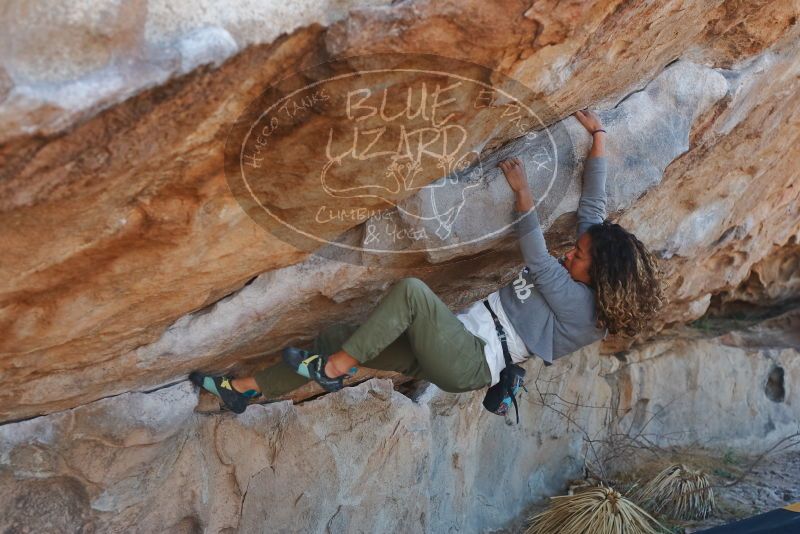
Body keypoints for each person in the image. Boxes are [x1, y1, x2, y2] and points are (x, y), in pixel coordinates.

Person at [189, 109, 667, 414]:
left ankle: (333, 370)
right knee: (339, 338)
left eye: (578, 255)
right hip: (457, 336)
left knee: (412, 294)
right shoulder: (590, 267)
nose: (572, 253)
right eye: (577, 249)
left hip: (470, 360)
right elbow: (593, 210)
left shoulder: (585, 314)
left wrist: (523, 193)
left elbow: (539, 259)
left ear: (597, 274)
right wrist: (599, 137)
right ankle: (244, 389)